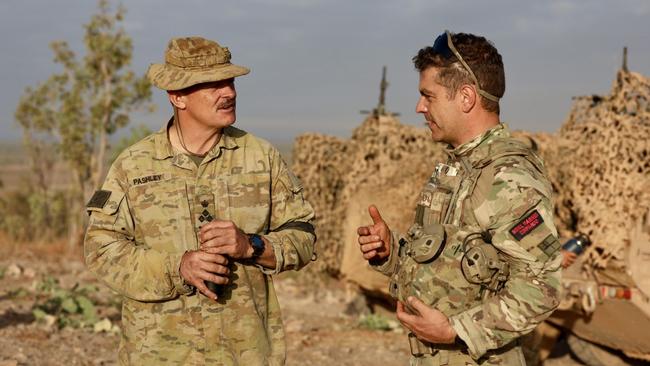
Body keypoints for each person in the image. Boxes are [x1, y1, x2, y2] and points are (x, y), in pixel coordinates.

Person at [84, 36, 316, 365]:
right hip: (159, 355)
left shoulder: (261, 158)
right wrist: (177, 267)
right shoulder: (133, 165)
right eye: (213, 84)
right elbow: (101, 249)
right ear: (177, 96)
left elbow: (304, 236)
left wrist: (251, 245)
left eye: (231, 82)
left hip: (243, 353)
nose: (229, 93)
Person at [357, 31, 562, 365]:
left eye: (429, 96)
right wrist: (391, 252)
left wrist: (458, 331)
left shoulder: (507, 176)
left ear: (465, 98)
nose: (419, 107)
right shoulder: (457, 168)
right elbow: (445, 266)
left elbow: (543, 287)